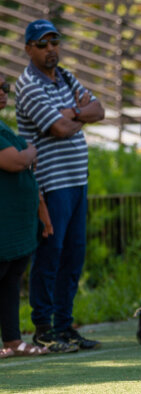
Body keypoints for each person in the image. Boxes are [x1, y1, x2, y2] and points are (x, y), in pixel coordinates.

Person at [16, 19, 105, 353]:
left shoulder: (66, 76)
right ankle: (44, 329)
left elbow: (100, 109)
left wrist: (73, 112)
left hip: (78, 180)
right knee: (50, 258)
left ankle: (66, 327)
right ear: (28, 49)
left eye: (54, 41)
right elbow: (59, 128)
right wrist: (77, 114)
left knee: (74, 257)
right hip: (50, 184)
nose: (50, 48)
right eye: (42, 43)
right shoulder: (27, 84)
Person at [0, 72, 48, 358]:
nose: (2, 92)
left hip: (16, 225)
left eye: (4, 87)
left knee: (10, 281)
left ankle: (13, 340)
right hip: (3, 226)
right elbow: (16, 161)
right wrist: (30, 150)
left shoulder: (4, 127)